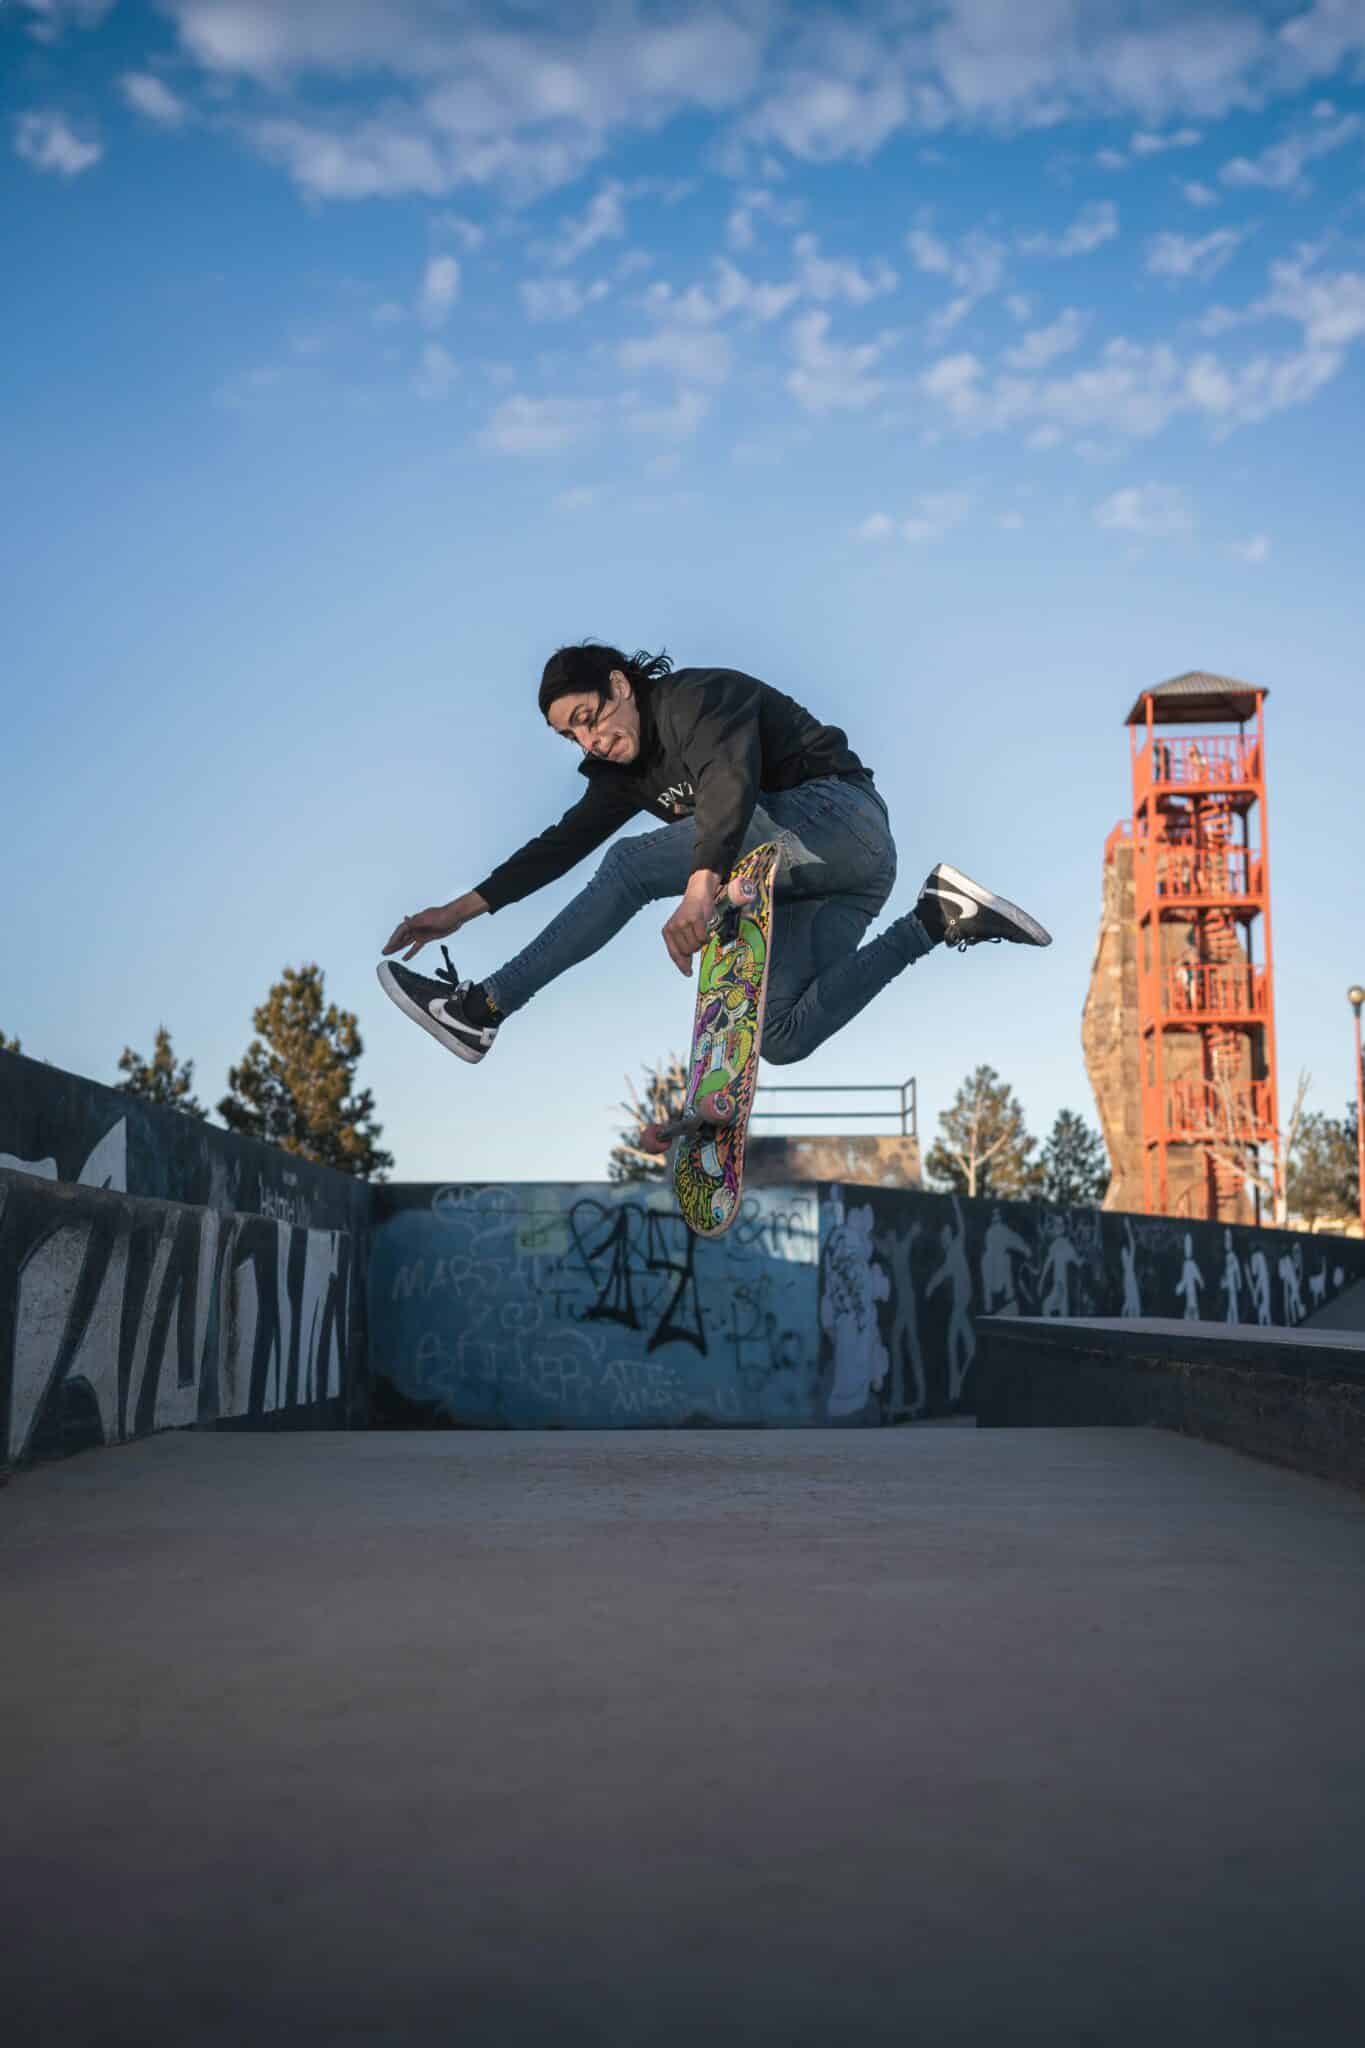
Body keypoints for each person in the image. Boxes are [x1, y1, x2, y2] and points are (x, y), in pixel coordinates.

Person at [377, 643, 1051, 1066]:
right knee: (778, 1038)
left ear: (618, 687)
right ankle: (936, 918)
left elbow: (730, 779)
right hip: (841, 884)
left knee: (631, 864)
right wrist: (460, 910)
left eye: (587, 718)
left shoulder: (695, 699)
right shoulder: (619, 774)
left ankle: (481, 1010)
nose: (589, 742)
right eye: (569, 738)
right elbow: (558, 844)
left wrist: (701, 887)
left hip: (840, 821)